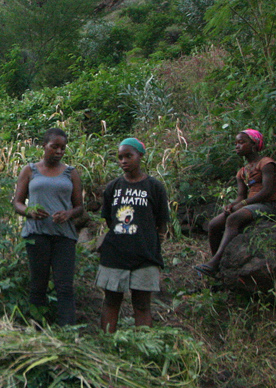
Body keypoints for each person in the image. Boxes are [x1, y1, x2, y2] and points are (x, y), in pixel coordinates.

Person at [12, 128, 84, 327]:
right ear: (44, 146)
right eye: (55, 146)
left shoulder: (71, 173)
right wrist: (30, 211)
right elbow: (17, 203)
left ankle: (67, 330)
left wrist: (68, 214)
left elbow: (79, 207)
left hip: (64, 237)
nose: (59, 151)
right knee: (38, 284)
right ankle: (36, 328)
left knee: (64, 286)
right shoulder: (30, 170)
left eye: (62, 147)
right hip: (37, 234)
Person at [97, 137, 170, 333]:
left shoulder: (154, 187)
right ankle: (107, 344)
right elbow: (109, 220)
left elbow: (161, 222)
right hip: (115, 253)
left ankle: (143, 346)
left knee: (142, 304)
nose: (123, 161)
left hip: (145, 255)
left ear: (140, 156)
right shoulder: (113, 187)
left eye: (128, 156)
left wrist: (153, 244)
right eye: (120, 157)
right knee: (111, 301)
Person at [195, 129, 276, 277]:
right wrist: (231, 205)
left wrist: (243, 204)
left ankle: (214, 263)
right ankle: (217, 263)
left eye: (242, 142)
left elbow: (267, 191)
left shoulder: (266, 163)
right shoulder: (242, 172)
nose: (237, 146)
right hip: (250, 205)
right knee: (214, 224)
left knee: (233, 219)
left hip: (268, 206)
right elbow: (240, 196)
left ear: (254, 144)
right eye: (236, 143)